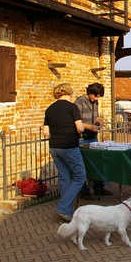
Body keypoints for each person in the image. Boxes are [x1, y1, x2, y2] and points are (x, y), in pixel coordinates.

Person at [43, 83, 86, 222]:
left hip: (54, 146)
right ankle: (63, 207)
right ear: (69, 92)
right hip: (69, 145)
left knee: (64, 177)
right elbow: (79, 127)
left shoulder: (49, 109)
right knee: (80, 176)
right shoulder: (72, 107)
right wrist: (81, 131)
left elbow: (45, 132)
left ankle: (67, 211)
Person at [75, 83, 112, 199]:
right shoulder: (79, 102)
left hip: (93, 136)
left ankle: (99, 188)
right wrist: (90, 127)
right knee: (83, 165)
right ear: (90, 93)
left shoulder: (95, 102)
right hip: (82, 138)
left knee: (97, 161)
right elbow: (76, 120)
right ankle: (84, 191)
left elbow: (96, 116)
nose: (97, 98)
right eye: (96, 96)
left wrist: (98, 122)